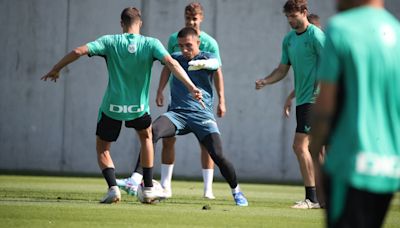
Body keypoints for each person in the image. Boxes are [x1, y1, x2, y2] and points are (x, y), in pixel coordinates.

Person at [41, 7, 203, 204]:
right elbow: (172, 64)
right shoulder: (151, 43)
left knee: (102, 148)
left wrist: (56, 68)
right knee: (146, 139)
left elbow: (78, 51)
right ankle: (149, 188)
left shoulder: (109, 41)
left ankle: (112, 188)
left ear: (121, 24)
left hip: (112, 107)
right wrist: (192, 87)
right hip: (138, 108)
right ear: (140, 23)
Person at [117, 2, 225, 199]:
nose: (191, 21)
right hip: (178, 102)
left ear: (201, 19)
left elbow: (217, 70)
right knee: (167, 139)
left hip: (201, 104)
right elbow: (169, 64)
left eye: (195, 18)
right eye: (188, 18)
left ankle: (208, 189)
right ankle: (166, 185)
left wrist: (222, 100)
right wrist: (159, 90)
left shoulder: (209, 42)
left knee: (206, 145)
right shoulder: (174, 39)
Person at [310, 0, 400, 226]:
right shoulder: (397, 32)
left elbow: (324, 106)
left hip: (352, 163)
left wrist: (315, 156)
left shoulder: (342, 28)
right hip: (389, 167)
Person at [153, 27, 248, 206]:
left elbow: (215, 65)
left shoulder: (207, 56)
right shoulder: (176, 58)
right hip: (177, 114)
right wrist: (160, 90)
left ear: (198, 43)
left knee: (218, 155)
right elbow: (167, 67)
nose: (184, 50)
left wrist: (202, 66)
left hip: (202, 115)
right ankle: (141, 180)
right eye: (181, 46)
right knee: (152, 132)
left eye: (188, 45)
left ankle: (237, 191)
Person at [255, 0, 325, 209]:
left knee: (299, 146)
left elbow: (331, 63)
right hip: (303, 100)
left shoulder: (316, 35)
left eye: (293, 16)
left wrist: (320, 91)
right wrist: (266, 81)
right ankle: (326, 197)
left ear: (304, 12)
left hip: (316, 99)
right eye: (288, 17)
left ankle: (312, 198)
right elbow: (282, 69)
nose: (290, 20)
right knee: (315, 151)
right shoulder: (288, 40)